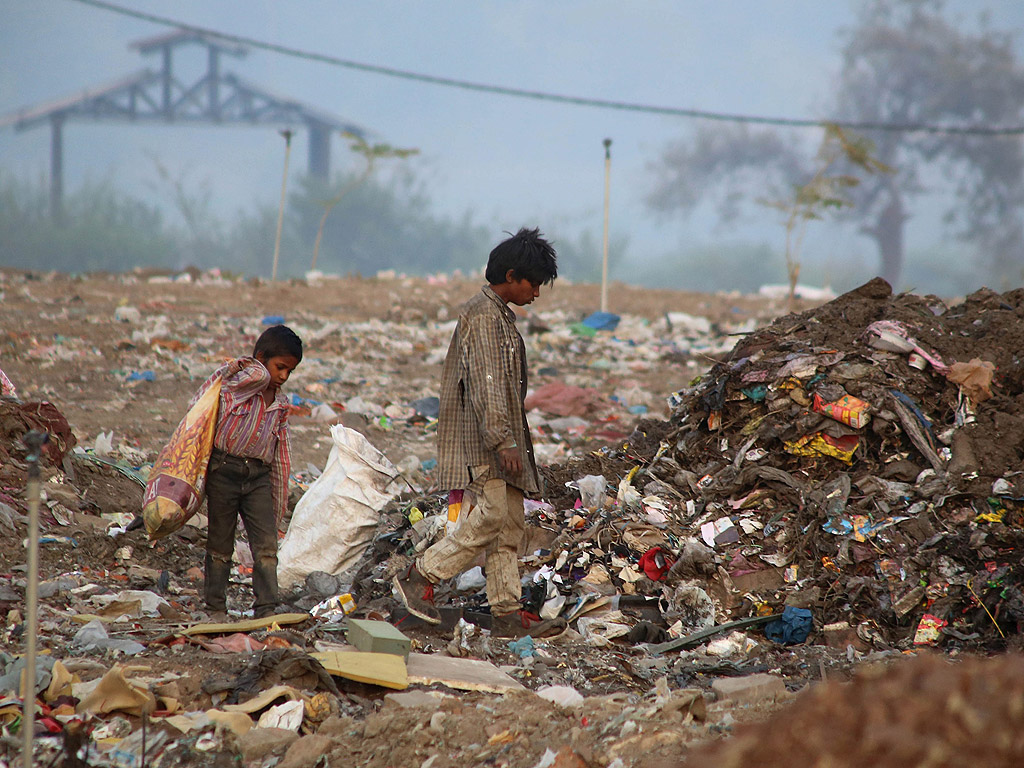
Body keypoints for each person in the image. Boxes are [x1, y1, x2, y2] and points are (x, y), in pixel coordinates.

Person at [393, 228, 566, 638]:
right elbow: (488, 383)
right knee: (490, 517)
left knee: (509, 525)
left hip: (501, 440)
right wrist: (503, 441)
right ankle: (421, 575)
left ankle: (505, 612)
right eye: (534, 284)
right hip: (486, 442)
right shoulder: (485, 316)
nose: (536, 294)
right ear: (511, 275)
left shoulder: (499, 314)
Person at [191, 324, 302, 620]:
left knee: (266, 548)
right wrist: (254, 366)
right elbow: (245, 378)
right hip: (223, 472)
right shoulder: (236, 389)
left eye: (289, 371)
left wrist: (278, 504)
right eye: (279, 367)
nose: (283, 377)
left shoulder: (279, 404)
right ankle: (215, 607)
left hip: (258, 478)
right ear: (261, 360)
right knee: (219, 544)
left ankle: (265, 608)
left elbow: (280, 459)